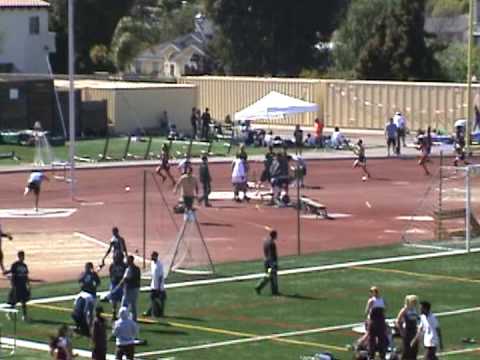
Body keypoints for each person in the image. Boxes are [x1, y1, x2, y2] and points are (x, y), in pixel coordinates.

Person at [115, 255, 141, 322]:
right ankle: (133, 319)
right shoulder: (134, 269)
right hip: (133, 288)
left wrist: (120, 285)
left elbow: (126, 279)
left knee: (126, 304)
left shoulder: (131, 269)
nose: (126, 262)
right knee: (132, 305)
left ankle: (122, 318)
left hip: (130, 289)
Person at [5, 250, 30, 321]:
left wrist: (28, 285)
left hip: (23, 286)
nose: (23, 257)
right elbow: (13, 274)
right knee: (14, 301)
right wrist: (13, 285)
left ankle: (24, 316)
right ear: (19, 256)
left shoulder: (24, 266)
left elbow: (26, 276)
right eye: (21, 256)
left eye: (23, 256)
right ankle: (9, 313)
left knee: (24, 301)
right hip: (17, 286)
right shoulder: (15, 265)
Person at [255, 230, 279, 295]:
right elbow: (272, 254)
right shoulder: (272, 243)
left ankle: (260, 287)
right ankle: (274, 291)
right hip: (270, 263)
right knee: (272, 276)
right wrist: (273, 264)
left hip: (266, 261)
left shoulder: (266, 241)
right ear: (274, 235)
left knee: (269, 275)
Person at [103, 254, 127, 320]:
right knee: (114, 300)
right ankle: (114, 313)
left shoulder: (124, 265)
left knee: (123, 300)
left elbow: (125, 274)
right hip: (114, 283)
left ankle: (123, 314)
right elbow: (111, 274)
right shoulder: (113, 265)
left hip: (121, 284)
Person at [395, 295, 419, 360]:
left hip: (414, 331)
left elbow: (417, 320)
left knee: (414, 350)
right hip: (407, 332)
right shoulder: (404, 310)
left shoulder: (414, 309)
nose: (415, 303)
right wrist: (401, 332)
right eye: (413, 302)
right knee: (407, 351)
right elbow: (397, 321)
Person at [143, 251, 166, 318]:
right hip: (153, 285)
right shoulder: (152, 263)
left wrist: (159, 287)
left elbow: (161, 276)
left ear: (156, 256)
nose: (151, 257)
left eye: (153, 256)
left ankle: (161, 313)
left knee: (161, 299)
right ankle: (149, 311)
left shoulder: (159, 264)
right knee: (152, 299)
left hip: (159, 286)